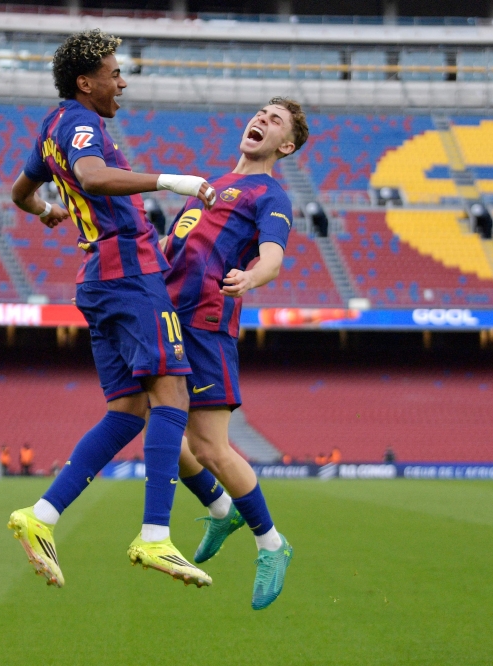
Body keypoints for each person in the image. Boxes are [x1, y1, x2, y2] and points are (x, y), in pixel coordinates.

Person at [6, 29, 218, 589]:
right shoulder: (81, 124)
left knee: (127, 409)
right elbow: (94, 177)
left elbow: (18, 194)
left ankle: (41, 516)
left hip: (97, 278)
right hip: (128, 272)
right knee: (170, 392)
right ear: (86, 81)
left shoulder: (49, 128)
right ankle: (155, 537)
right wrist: (175, 181)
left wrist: (48, 210)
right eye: (114, 72)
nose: (122, 82)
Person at [165, 98, 308, 610]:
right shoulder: (209, 186)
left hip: (205, 326)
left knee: (210, 449)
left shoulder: (271, 195)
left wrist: (251, 276)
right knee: (148, 423)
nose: (261, 121)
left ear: (285, 145)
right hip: (167, 319)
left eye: (275, 121)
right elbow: (172, 247)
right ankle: (221, 509)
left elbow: (273, 256)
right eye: (260, 114)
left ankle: (271, 542)